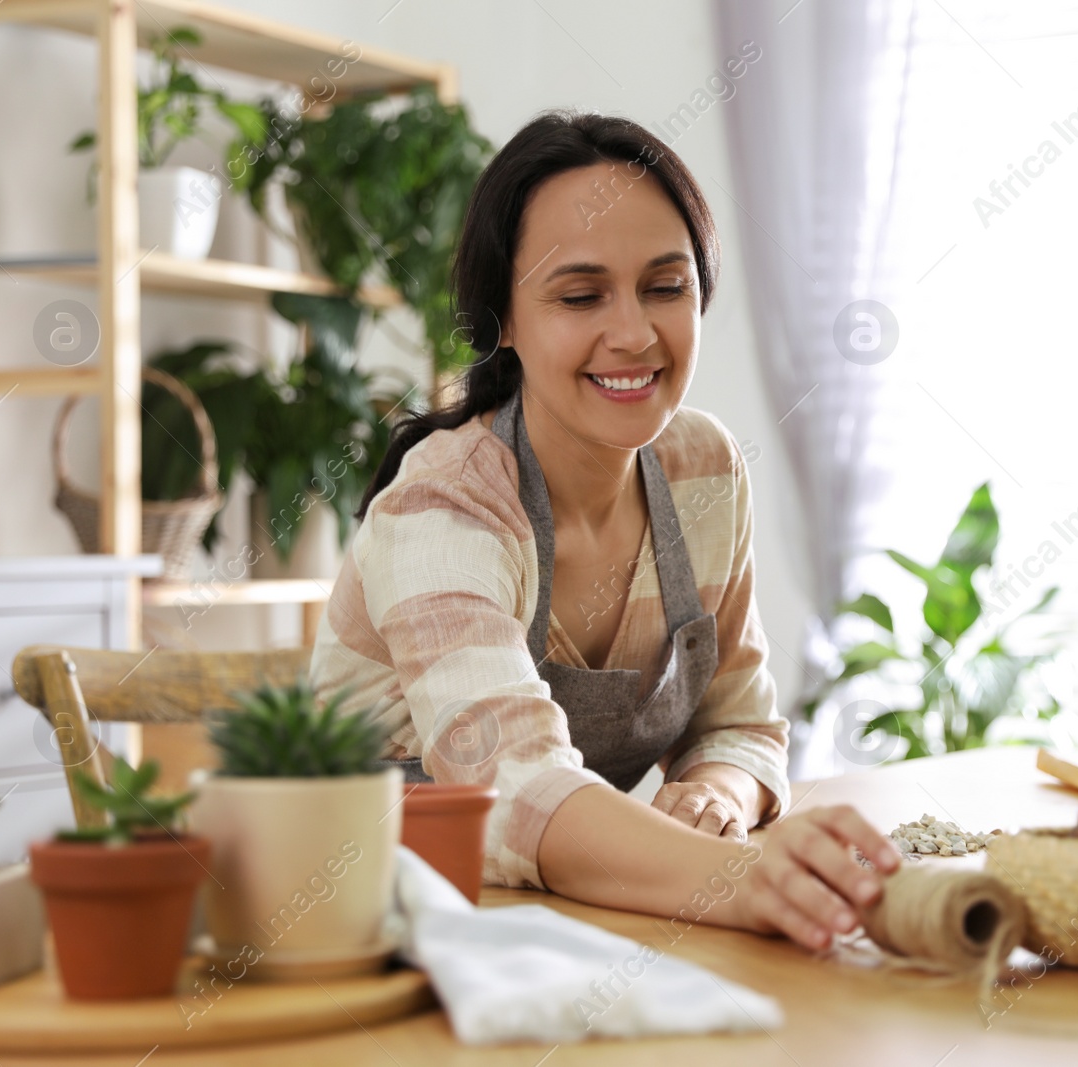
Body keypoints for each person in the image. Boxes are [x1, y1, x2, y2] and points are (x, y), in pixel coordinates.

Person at [310, 108, 899, 951]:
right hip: (371, 930)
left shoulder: (703, 469)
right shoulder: (443, 505)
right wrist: (742, 880)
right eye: (580, 295)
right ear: (502, 321)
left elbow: (741, 720)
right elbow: (512, 785)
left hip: (559, 925)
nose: (633, 334)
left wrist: (719, 796)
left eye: (667, 286)